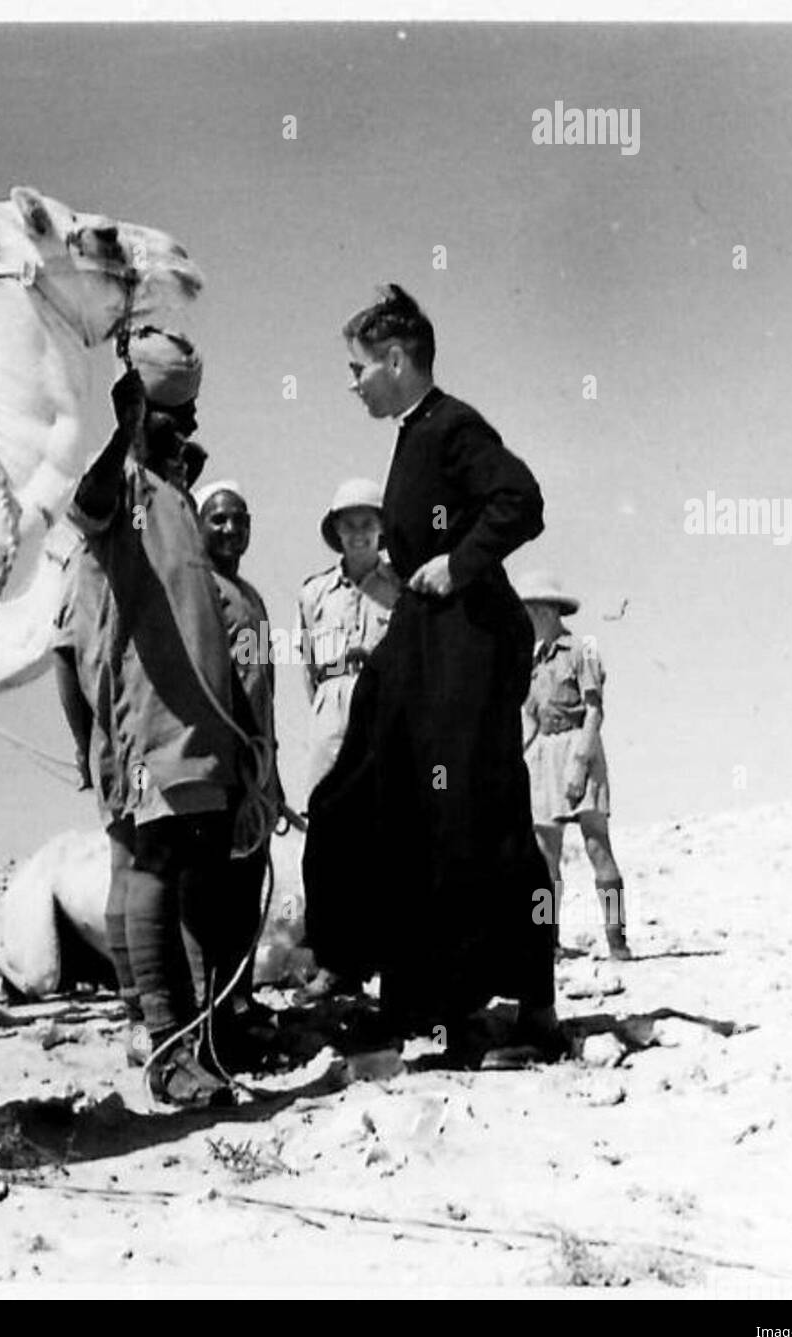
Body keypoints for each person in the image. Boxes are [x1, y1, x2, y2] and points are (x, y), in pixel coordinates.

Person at [302, 284, 564, 1067]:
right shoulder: (412, 433)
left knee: (475, 822)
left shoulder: (452, 424)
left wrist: (458, 563)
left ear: (395, 359)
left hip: (468, 652)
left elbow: (522, 499)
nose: (352, 384)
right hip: (422, 646)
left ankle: (521, 1007)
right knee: (364, 795)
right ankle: (400, 987)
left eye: (357, 368)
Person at [53, 326, 241, 1108]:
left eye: (190, 418)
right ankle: (166, 1052)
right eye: (173, 419)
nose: (186, 433)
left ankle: (192, 1040)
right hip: (146, 723)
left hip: (199, 733)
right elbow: (86, 505)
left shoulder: (179, 500)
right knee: (154, 863)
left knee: (183, 866)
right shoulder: (122, 482)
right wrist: (122, 433)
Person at [193, 478, 286, 1061]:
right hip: (220, 767)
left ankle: (240, 1002)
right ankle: (213, 1024)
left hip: (254, 765)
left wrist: (269, 770)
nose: (231, 530)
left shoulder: (249, 594)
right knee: (215, 898)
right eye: (218, 520)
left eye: (239, 520)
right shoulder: (199, 591)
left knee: (247, 891)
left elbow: (262, 687)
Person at [517, 572, 632, 962]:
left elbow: (595, 709)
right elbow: (530, 717)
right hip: (545, 753)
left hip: (580, 746)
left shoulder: (581, 650)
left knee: (597, 847)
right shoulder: (530, 660)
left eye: (531, 608)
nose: (526, 616)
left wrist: (580, 764)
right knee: (543, 856)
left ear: (548, 609)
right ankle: (545, 942)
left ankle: (618, 942)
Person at [295, 479, 402, 797]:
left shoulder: (400, 589)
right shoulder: (314, 593)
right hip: (331, 705)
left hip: (383, 703)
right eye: (349, 525)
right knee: (326, 804)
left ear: (380, 528)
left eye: (367, 524)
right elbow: (308, 667)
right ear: (337, 531)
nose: (358, 534)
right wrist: (331, 699)